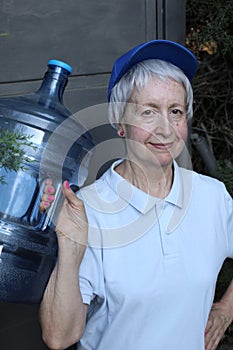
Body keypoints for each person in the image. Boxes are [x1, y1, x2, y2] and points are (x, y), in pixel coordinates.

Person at [39, 40, 233, 350]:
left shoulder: (212, 198)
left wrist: (225, 311)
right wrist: (71, 247)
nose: (166, 129)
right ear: (119, 123)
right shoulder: (86, 211)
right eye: (148, 112)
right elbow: (59, 337)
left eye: (176, 112)